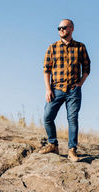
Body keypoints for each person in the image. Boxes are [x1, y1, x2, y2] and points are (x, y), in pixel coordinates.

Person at [40, 19, 91, 162]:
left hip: (73, 90)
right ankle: (52, 144)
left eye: (63, 27)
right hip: (56, 89)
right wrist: (48, 89)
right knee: (47, 117)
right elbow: (46, 70)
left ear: (71, 28)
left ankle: (72, 150)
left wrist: (80, 83)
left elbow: (87, 68)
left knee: (72, 119)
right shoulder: (52, 48)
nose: (61, 30)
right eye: (59, 28)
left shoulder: (80, 47)